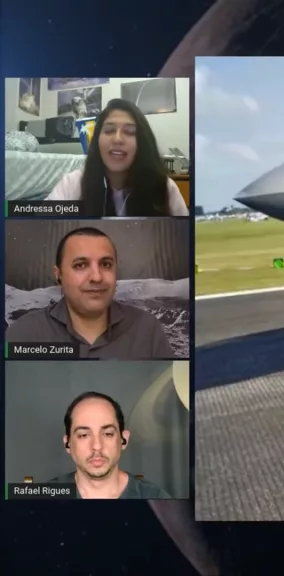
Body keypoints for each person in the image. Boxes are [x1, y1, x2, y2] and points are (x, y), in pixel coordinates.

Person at [5, 227, 176, 359]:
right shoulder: (24, 334)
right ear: (59, 275)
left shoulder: (147, 329)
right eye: (80, 265)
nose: (96, 277)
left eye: (106, 264)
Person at [46, 99, 189, 217]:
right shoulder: (72, 184)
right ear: (97, 140)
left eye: (129, 132)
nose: (117, 139)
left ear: (142, 142)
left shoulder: (164, 187)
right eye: (109, 130)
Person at [48, 391, 172, 499]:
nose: (97, 446)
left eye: (107, 434)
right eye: (84, 435)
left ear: (124, 440)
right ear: (67, 444)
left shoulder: (155, 498)